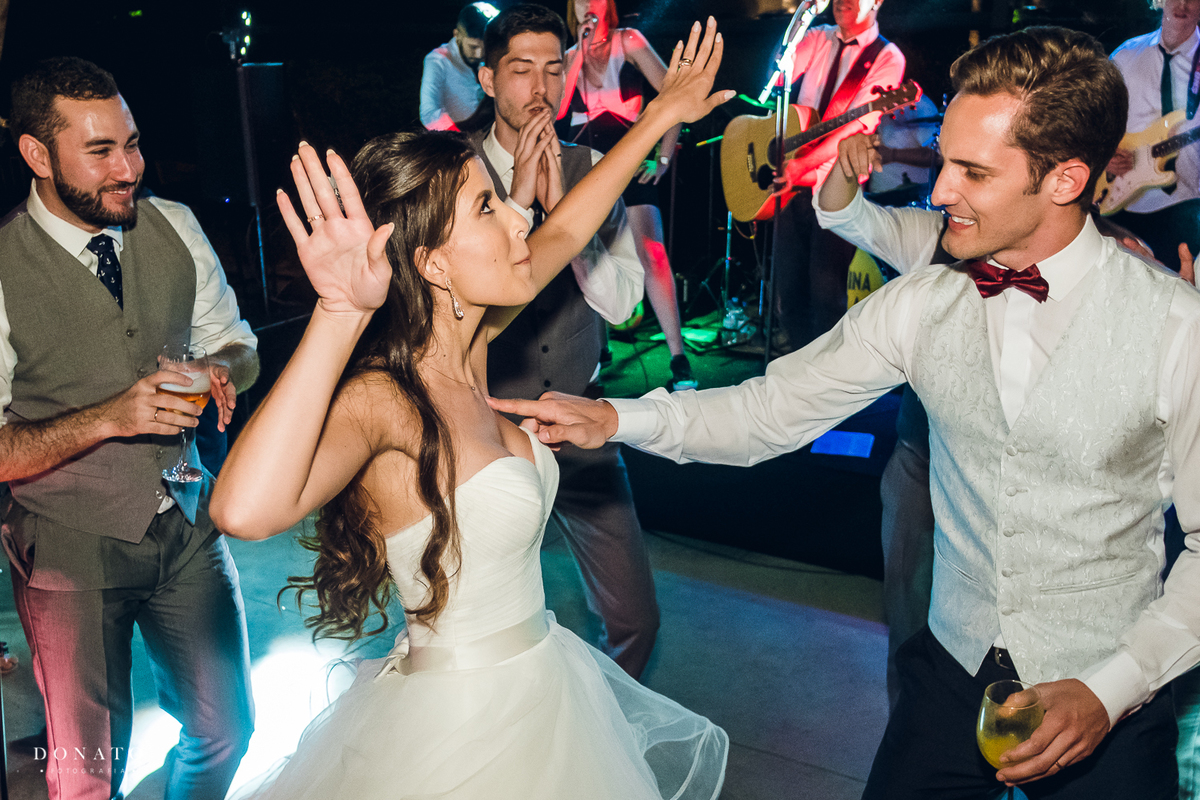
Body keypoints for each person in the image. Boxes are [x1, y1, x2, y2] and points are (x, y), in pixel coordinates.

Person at [494, 27, 1200, 799]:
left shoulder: (1174, 327)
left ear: (1064, 179)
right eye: (944, 162)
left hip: (1111, 693)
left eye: (972, 172)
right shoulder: (921, 303)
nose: (939, 192)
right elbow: (770, 411)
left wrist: (1113, 687)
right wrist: (617, 420)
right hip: (950, 674)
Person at [211, 19, 732, 800]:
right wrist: (339, 312)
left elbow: (568, 226)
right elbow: (243, 511)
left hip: (543, 689)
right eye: (489, 207)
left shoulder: (475, 345)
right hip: (460, 736)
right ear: (432, 265)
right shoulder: (385, 399)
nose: (520, 216)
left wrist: (660, 115)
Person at [0, 57, 259, 800]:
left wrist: (218, 368)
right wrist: (111, 417)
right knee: (87, 774)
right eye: (101, 151)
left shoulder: (175, 224)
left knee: (226, 729)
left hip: (186, 517)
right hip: (66, 545)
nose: (129, 168)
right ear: (37, 155)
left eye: (134, 143)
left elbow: (239, 344)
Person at [473, 4, 659, 677]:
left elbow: (625, 303)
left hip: (579, 423)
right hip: (482, 432)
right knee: (480, 628)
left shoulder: (594, 168)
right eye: (521, 69)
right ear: (489, 80)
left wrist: (564, 218)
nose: (541, 87)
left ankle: (596, 732)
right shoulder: (454, 173)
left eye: (554, 69)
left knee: (636, 619)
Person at [558, 0, 694, 391]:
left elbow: (675, 98)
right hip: (587, 165)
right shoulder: (569, 57)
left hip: (631, 161)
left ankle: (678, 356)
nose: (588, 4)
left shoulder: (629, 40)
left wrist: (663, 157)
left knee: (652, 252)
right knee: (591, 253)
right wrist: (578, 55)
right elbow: (557, 111)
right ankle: (598, 353)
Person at [770, 0, 905, 352]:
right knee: (788, 295)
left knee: (827, 297)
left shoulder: (887, 56)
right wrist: (798, 22)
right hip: (792, 184)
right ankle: (797, 375)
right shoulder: (817, 36)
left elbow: (857, 126)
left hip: (836, 186)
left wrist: (803, 166)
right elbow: (776, 80)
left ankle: (827, 379)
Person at [1107, 0, 1200, 274]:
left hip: (1187, 203)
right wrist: (1104, 155)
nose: (1182, 4)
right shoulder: (1126, 55)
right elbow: (1095, 120)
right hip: (1121, 201)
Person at [419, 1, 497, 131]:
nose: (479, 54)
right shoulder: (437, 60)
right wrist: (457, 136)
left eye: (484, 47)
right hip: (455, 138)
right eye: (473, 47)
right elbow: (429, 114)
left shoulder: (490, 56)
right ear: (457, 35)